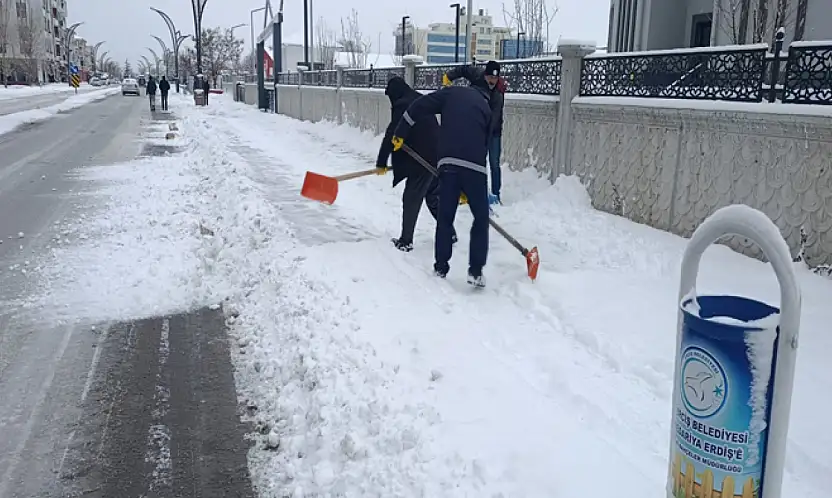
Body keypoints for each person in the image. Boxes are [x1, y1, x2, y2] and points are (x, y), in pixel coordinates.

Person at [391, 82, 492, 287]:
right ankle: (475, 271)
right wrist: (470, 185)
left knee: (445, 216)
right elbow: (486, 144)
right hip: (476, 168)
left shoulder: (450, 93)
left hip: (448, 164)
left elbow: (417, 107)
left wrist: (400, 133)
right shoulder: (486, 107)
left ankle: (441, 267)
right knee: (481, 219)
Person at [376, 76, 457, 252]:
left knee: (411, 197)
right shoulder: (418, 99)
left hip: (423, 159)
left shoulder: (402, 105)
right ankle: (449, 232)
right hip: (436, 154)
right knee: (432, 196)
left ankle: (406, 241)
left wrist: (381, 162)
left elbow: (392, 133)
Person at [444, 61, 505, 205]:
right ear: (485, 75)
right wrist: (449, 76)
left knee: (494, 163)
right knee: (473, 162)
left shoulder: (498, 94)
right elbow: (463, 69)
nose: (492, 81)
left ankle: (495, 195)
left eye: (495, 78)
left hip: (493, 132)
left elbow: (493, 120)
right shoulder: (476, 74)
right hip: (474, 126)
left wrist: (483, 140)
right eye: (490, 77)